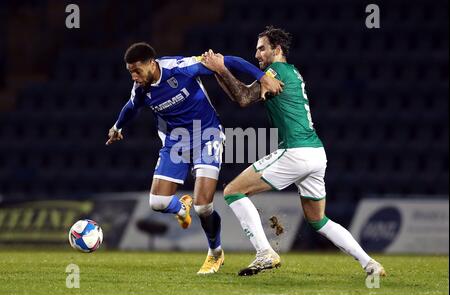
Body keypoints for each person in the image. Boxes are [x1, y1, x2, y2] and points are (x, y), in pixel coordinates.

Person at [201, 26, 386, 277]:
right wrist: (219, 72)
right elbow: (242, 95)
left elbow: (243, 98)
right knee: (318, 220)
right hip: (316, 154)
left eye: (262, 48)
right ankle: (370, 263)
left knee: (233, 191)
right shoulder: (292, 72)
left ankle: (265, 252)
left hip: (296, 151)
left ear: (277, 49)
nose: (257, 54)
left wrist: (221, 68)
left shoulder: (275, 71)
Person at [106, 42, 283, 275]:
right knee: (157, 203)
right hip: (175, 142)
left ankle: (215, 253)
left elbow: (228, 61)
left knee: (203, 206)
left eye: (137, 70)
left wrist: (262, 77)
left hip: (207, 135)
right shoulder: (141, 89)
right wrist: (118, 126)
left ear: (152, 63)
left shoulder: (181, 67)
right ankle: (181, 208)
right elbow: (131, 107)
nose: (134, 77)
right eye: (130, 72)